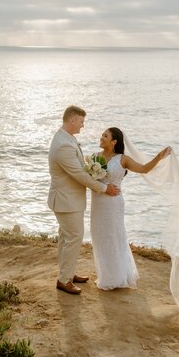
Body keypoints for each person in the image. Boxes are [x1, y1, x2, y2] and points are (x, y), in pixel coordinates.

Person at [48, 106, 120, 295]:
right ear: (72, 120)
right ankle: (64, 280)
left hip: (69, 200)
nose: (83, 125)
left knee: (66, 238)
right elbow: (79, 174)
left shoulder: (67, 138)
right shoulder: (63, 145)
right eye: (81, 121)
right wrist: (104, 188)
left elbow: (80, 168)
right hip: (66, 201)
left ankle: (67, 274)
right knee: (74, 237)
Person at [90, 127, 172, 290]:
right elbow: (88, 179)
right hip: (97, 203)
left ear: (114, 142)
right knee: (99, 236)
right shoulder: (94, 157)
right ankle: (105, 275)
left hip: (113, 204)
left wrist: (158, 157)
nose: (101, 137)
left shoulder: (123, 159)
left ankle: (117, 277)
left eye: (105, 136)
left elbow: (144, 169)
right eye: (102, 135)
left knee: (114, 237)